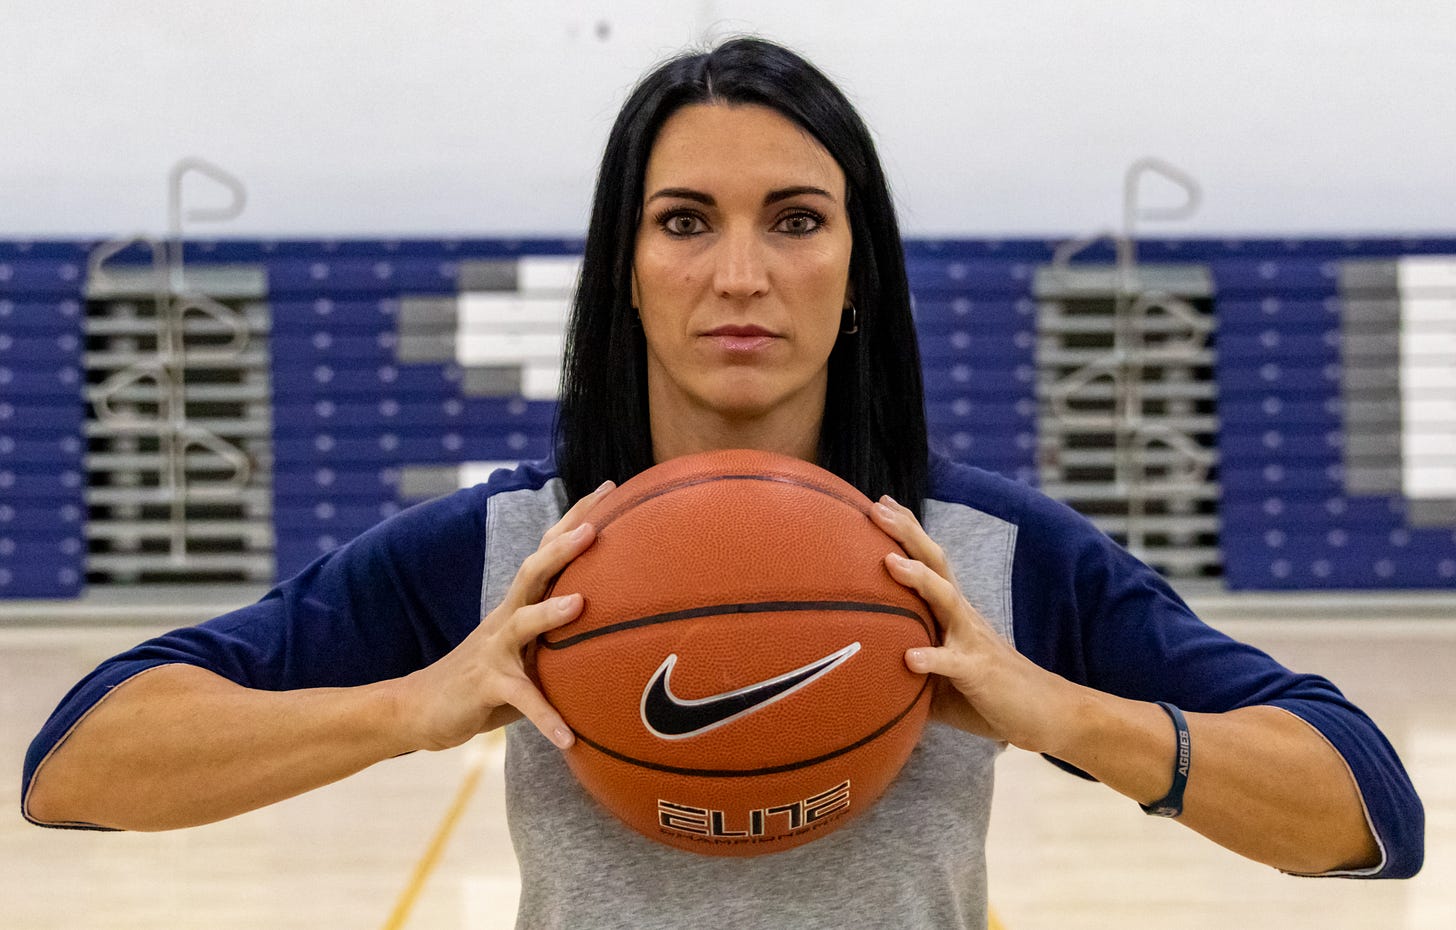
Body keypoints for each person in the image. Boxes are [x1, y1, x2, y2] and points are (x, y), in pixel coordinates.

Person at [23, 36, 1422, 929]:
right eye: (685, 221)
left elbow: (1368, 810)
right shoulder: (516, 550)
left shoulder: (983, 554)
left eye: (796, 220)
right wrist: (410, 704)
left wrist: (1059, 710)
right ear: (625, 270)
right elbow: (77, 766)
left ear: (858, 270)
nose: (740, 273)